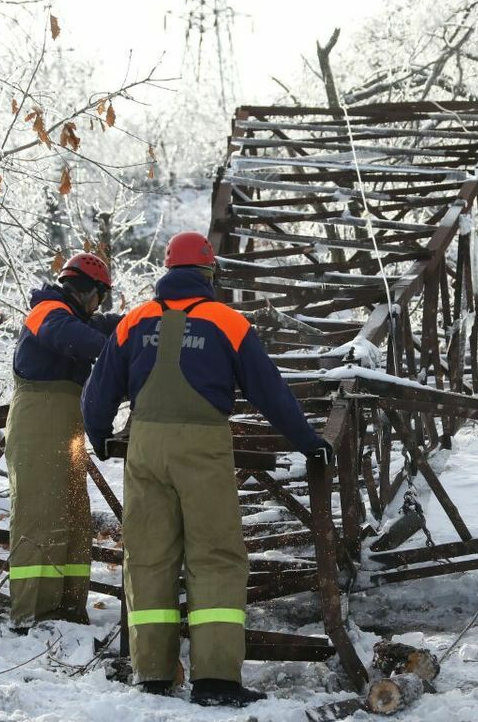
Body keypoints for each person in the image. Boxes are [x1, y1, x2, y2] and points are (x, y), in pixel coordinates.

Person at [82, 231, 330, 708]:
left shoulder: (135, 320)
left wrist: (100, 438)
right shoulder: (227, 321)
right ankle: (215, 677)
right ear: (208, 273)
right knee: (214, 555)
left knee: (150, 555)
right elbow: (269, 391)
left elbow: (99, 389)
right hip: (202, 447)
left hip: (145, 447)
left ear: (169, 273)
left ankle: (152, 673)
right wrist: (308, 443)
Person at [5, 252, 121, 630]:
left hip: (64, 426)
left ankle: (67, 608)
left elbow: (112, 328)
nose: (99, 306)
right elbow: (79, 339)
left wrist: (154, 320)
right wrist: (125, 351)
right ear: (91, 292)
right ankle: (32, 613)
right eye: (100, 297)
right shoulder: (47, 312)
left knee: (72, 516)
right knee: (40, 515)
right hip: (38, 422)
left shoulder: (73, 317)